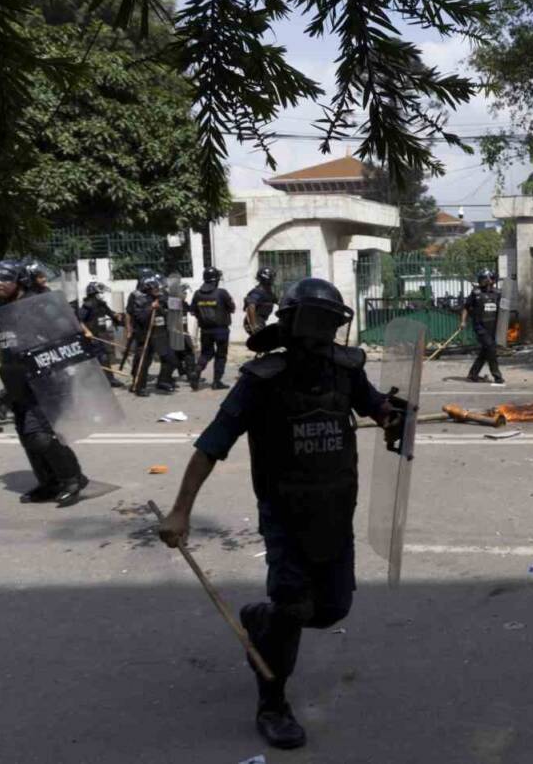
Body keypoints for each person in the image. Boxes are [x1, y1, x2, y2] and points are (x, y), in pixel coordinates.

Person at [157, 278, 401, 750]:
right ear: (291, 324)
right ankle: (272, 704)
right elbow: (211, 445)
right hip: (284, 514)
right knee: (294, 608)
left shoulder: (345, 371)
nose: (321, 334)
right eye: (313, 322)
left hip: (335, 509)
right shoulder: (261, 381)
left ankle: (262, 620)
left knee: (331, 610)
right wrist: (179, 511)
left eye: (329, 323)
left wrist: (393, 414)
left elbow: (376, 408)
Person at [0, 259, 89, 504]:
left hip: (48, 380)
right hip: (17, 382)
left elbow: (67, 334)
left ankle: (72, 479)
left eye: (4, 280)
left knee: (39, 435)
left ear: (19, 280)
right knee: (26, 437)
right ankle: (49, 482)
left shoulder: (40, 304)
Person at [127, 274, 178, 395]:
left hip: (161, 334)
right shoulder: (139, 299)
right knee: (143, 363)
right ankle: (139, 387)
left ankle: (163, 381)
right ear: (148, 288)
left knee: (171, 359)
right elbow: (140, 317)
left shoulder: (162, 297)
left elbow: (176, 306)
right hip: (146, 335)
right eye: (156, 288)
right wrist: (151, 308)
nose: (158, 290)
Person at [191, 267, 236, 390]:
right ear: (216, 280)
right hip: (221, 330)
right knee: (221, 355)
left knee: (206, 353)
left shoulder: (197, 294)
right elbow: (232, 308)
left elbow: (193, 311)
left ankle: (197, 370)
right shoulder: (222, 293)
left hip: (205, 331)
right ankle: (217, 382)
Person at [460, 269, 505, 384]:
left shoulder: (498, 293)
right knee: (491, 349)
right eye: (481, 279)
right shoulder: (476, 293)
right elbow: (466, 307)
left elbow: (503, 310)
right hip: (480, 327)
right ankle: (497, 376)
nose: (482, 281)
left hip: (493, 328)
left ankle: (472, 374)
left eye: (484, 279)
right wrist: (463, 321)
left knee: (485, 351)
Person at [78, 282, 126, 388]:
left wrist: (116, 316)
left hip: (102, 334)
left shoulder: (102, 304)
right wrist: (87, 331)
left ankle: (109, 379)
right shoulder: (87, 305)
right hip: (93, 336)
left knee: (105, 356)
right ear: (93, 294)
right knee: (98, 358)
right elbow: (79, 320)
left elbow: (111, 313)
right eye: (100, 293)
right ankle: (105, 380)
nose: (102, 295)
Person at [244, 267, 278, 335]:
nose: (273, 280)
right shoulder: (257, 292)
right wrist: (254, 325)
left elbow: (279, 302)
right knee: (264, 343)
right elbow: (251, 306)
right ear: (266, 279)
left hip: (261, 321)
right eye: (272, 278)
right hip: (254, 321)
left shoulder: (268, 292)